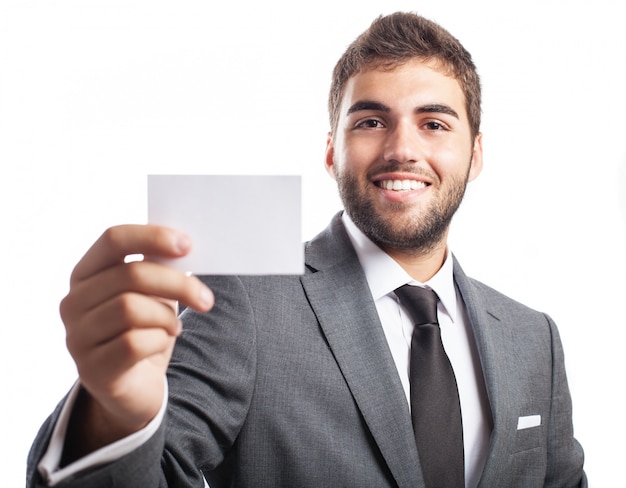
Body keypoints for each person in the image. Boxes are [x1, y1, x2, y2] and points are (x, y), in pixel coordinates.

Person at [27, 12, 586, 488]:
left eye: (434, 123)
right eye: (370, 121)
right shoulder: (242, 295)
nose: (402, 149)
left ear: (476, 154)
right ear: (331, 152)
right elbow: (158, 463)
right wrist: (113, 416)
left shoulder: (534, 339)